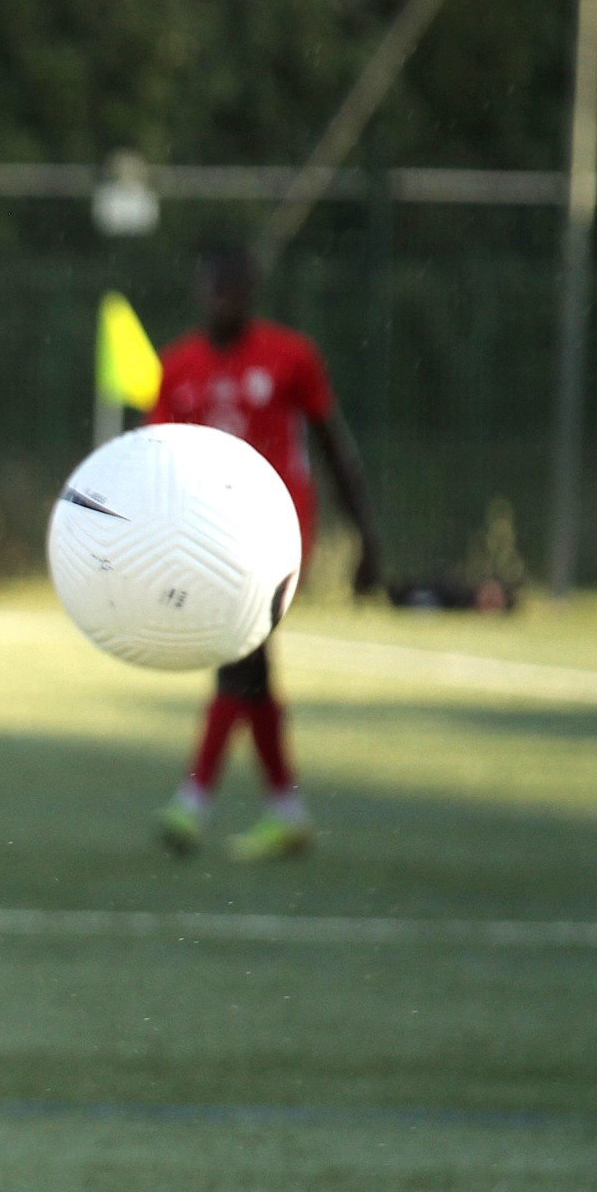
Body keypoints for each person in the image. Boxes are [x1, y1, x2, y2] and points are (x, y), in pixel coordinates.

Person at [147, 248, 382, 860]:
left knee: (238, 653)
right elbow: (158, 462)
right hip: (209, 535)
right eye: (214, 291)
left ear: (250, 294)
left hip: (279, 531)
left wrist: (366, 537)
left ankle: (191, 803)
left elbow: (332, 446)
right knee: (252, 669)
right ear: (200, 294)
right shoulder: (177, 368)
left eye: (234, 291)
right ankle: (287, 811)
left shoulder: (290, 357)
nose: (223, 302)